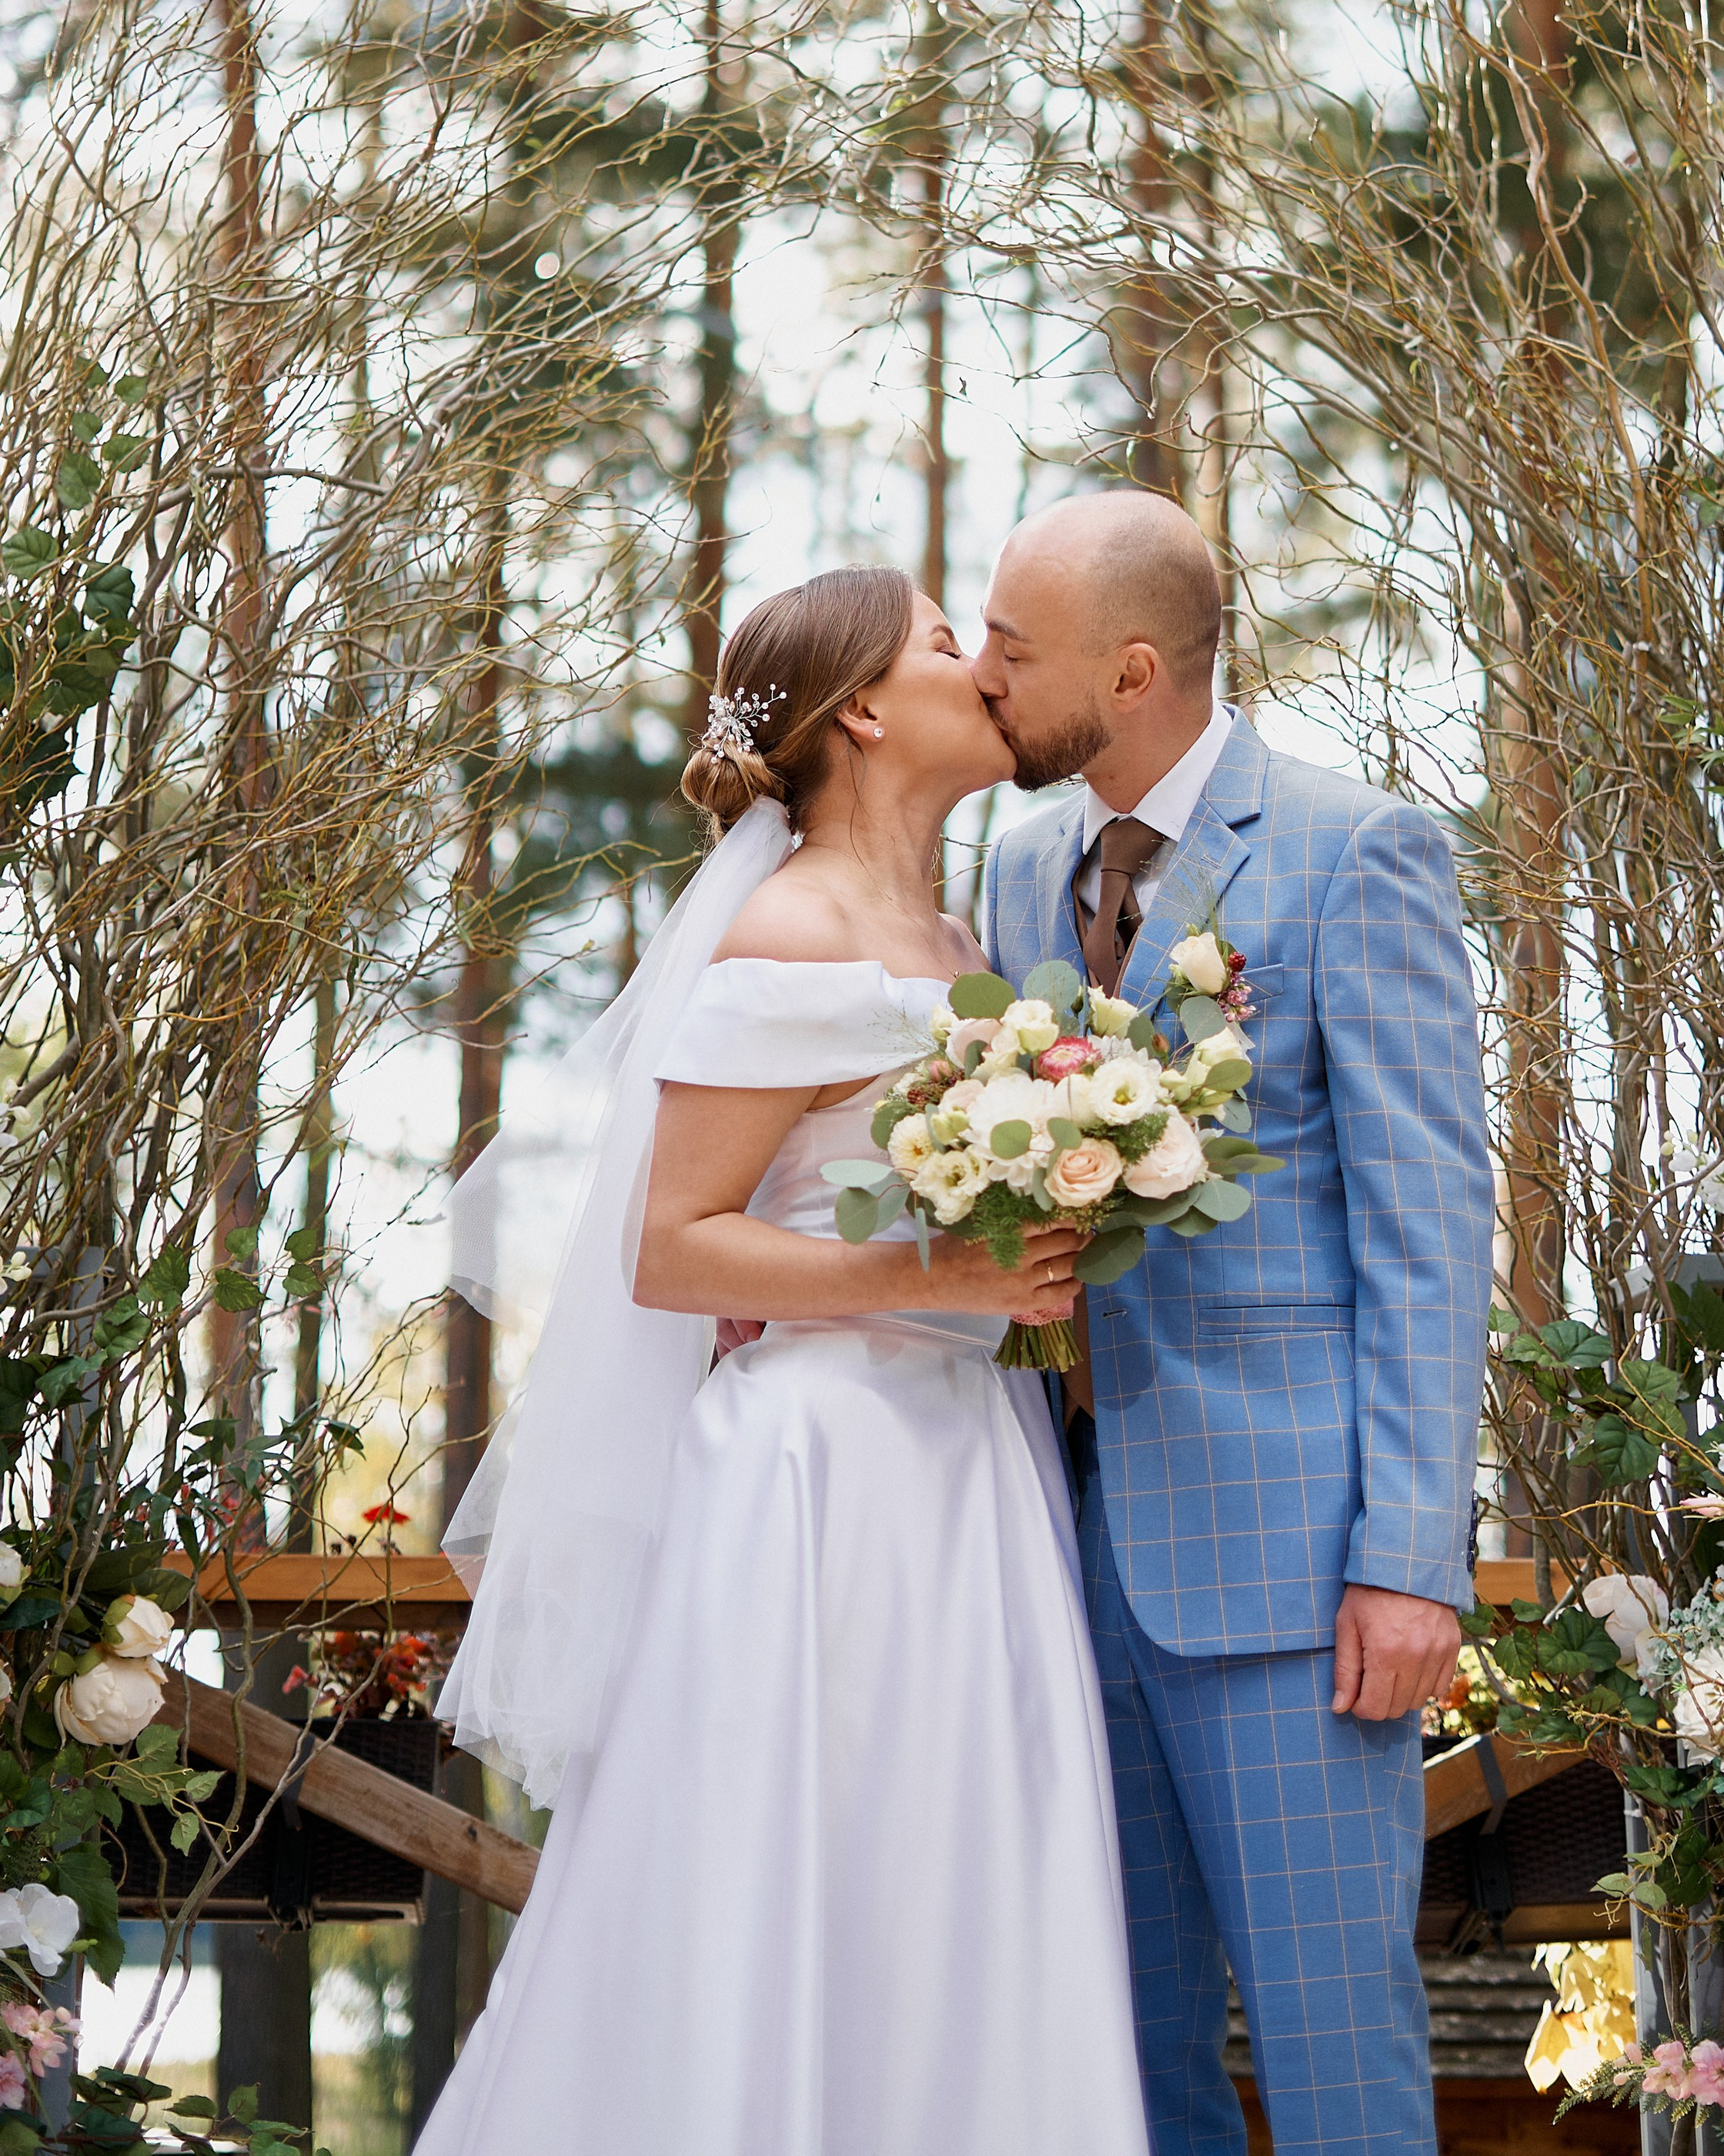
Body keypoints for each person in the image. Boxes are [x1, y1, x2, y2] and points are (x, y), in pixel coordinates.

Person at [416, 567, 1151, 2156]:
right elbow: (671, 1246)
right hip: (820, 1473)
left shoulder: (962, 934)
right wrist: (921, 1270)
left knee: (952, 1894)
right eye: (951, 645)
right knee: (787, 1876)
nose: (986, 671)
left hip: (968, 1460)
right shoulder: (790, 922)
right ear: (867, 711)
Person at [977, 491, 1492, 2156]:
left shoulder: (1356, 850)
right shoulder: (1011, 869)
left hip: (1290, 1579)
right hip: (1056, 1560)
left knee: (1335, 2060)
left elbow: (1427, 1225)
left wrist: (1409, 1555)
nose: (982, 679)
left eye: (1010, 648)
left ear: (1131, 672)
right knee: (1120, 2076)